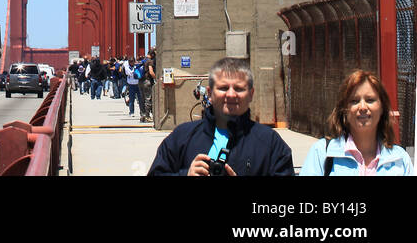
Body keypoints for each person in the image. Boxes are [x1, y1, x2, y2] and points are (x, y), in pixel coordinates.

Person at [148, 58, 294, 176]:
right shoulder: (182, 137)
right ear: (210, 93)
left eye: (239, 88)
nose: (231, 94)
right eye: (223, 88)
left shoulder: (270, 143)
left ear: (251, 94)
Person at [300, 70, 413, 176]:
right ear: (344, 109)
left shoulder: (400, 159)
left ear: (382, 107)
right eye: (354, 101)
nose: (362, 107)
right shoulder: (322, 153)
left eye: (370, 100)